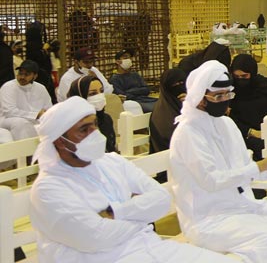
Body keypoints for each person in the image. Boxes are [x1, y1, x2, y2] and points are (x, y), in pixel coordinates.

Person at [29, 96, 235, 263]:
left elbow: (162, 199)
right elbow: (96, 237)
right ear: (60, 141)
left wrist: (116, 212)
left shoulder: (112, 162)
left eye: (95, 125)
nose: (94, 133)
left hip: (150, 247)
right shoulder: (48, 187)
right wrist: (141, 217)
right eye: (84, 130)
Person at [169, 61, 267, 262]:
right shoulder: (187, 133)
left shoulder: (226, 124)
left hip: (243, 206)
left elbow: (244, 170)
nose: (224, 101)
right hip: (209, 219)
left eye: (227, 95)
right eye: (218, 96)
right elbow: (213, 181)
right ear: (199, 98)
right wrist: (261, 166)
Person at [229, 54, 267, 161]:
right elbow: (231, 119)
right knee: (260, 147)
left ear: (252, 73)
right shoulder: (231, 89)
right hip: (244, 134)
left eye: (244, 76)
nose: (240, 80)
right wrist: (252, 132)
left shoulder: (265, 85)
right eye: (237, 76)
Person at [0, 60, 52, 140]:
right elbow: (10, 112)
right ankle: (24, 148)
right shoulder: (8, 87)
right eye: (20, 73)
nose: (22, 77)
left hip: (34, 120)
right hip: (8, 120)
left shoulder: (41, 88)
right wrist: (36, 115)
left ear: (35, 76)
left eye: (27, 74)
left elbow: (49, 108)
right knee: (20, 123)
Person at [68, 75, 116, 153]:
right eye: (93, 93)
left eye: (101, 91)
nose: (99, 96)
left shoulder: (106, 119)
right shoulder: (72, 125)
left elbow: (111, 149)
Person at [149, 68, 187, 154]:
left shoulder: (187, 103)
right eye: (175, 84)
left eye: (182, 83)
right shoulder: (162, 113)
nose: (180, 86)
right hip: (168, 155)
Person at [25, 22, 55, 104]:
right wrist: (44, 50)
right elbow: (37, 60)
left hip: (43, 77)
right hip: (39, 78)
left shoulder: (33, 44)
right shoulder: (33, 46)